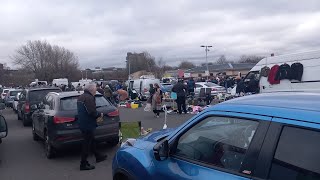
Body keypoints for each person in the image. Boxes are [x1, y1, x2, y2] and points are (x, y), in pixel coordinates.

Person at [77, 82, 107, 171]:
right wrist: (99, 114)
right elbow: (92, 112)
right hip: (87, 124)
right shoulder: (89, 98)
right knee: (86, 144)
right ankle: (83, 163)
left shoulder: (82, 96)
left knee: (92, 140)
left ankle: (98, 156)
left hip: (83, 123)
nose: (96, 90)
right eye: (95, 89)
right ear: (92, 89)